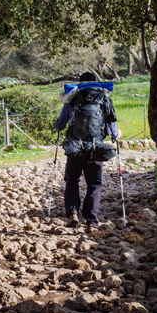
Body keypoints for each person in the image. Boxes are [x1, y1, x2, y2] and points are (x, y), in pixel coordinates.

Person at [55, 70, 119, 228]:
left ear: (80, 82)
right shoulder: (104, 98)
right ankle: (91, 221)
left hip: (75, 147)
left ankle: (73, 214)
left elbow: (59, 125)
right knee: (94, 184)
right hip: (95, 148)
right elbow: (113, 128)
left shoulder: (72, 99)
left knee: (72, 180)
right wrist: (114, 136)